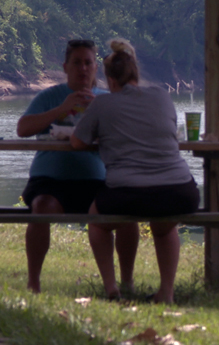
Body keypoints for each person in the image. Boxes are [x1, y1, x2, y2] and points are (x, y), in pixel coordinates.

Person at [71, 38, 200, 303]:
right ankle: (166, 291)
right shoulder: (162, 96)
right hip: (180, 191)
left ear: (110, 79)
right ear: (136, 72)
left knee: (97, 220)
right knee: (164, 226)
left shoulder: (103, 104)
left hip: (128, 192)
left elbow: (77, 141)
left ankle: (112, 288)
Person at [17, 39, 140, 294]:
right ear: (65, 67)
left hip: (97, 181)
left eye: (88, 63)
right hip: (50, 180)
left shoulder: (108, 99)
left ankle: (126, 283)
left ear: (96, 68)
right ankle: (34, 283)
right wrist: (62, 108)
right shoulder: (48, 96)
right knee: (41, 207)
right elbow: (22, 129)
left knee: (128, 213)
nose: (83, 68)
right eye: (76, 63)